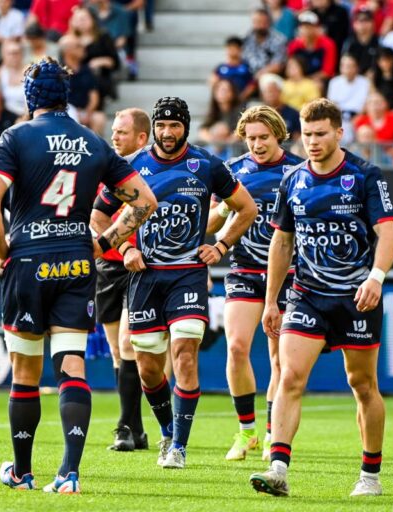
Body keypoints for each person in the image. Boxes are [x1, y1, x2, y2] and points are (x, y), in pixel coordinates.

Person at [0, 57, 157, 494]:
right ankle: (69, 473)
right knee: (72, 365)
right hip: (77, 262)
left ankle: (22, 473)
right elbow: (145, 202)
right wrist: (103, 242)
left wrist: (3, 252)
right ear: (66, 95)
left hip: (27, 262)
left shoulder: (15, 137)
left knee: (25, 370)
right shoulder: (94, 142)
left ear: (29, 97)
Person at [95, 96, 258, 470]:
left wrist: (220, 246)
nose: (168, 133)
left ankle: (179, 447)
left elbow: (247, 208)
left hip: (187, 275)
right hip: (145, 277)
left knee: (184, 354)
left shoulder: (207, 165)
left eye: (175, 125)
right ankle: (167, 431)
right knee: (148, 368)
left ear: (186, 126)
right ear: (153, 128)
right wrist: (124, 249)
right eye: (162, 125)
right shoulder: (132, 166)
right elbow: (98, 215)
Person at [249, 98, 393, 497]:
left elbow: (388, 232)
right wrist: (271, 300)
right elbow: (282, 243)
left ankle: (370, 476)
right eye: (307, 134)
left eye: (320, 134)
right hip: (307, 295)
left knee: (362, 384)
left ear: (339, 133)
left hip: (356, 297)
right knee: (289, 376)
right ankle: (278, 469)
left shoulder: (365, 175)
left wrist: (376, 278)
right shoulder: (293, 180)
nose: (312, 142)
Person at [206, 106, 301, 463]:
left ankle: (273, 431)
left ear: (278, 135)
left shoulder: (297, 171)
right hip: (244, 268)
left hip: (288, 274)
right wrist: (223, 208)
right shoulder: (232, 170)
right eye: (251, 139)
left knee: (279, 358)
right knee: (236, 347)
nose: (257, 145)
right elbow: (211, 224)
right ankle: (246, 431)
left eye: (264, 137)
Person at [89, 108, 151, 451]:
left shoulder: (151, 171)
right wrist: (122, 246)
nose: (114, 137)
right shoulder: (104, 169)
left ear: (141, 137)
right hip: (108, 266)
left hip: (142, 267)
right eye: (113, 131)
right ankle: (136, 428)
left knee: (129, 344)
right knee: (117, 351)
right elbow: (95, 218)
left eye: (122, 132)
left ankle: (125, 426)